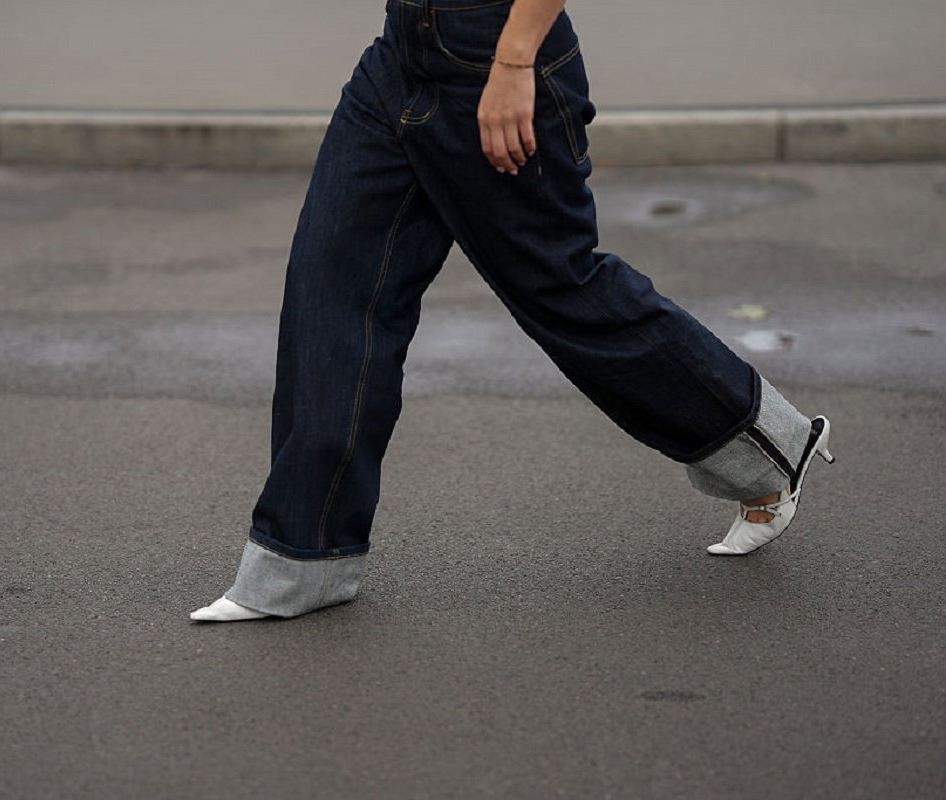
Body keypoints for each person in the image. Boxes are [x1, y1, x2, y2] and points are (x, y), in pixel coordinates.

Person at [190, 0, 834, 622]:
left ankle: (769, 450)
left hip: (496, 54)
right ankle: (306, 557)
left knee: (561, 287)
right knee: (330, 290)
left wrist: (514, 61)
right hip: (402, 51)